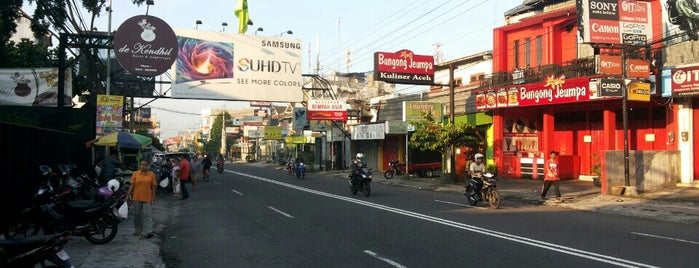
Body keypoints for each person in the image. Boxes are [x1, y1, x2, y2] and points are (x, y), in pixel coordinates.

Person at [126, 160, 156, 238]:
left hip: (147, 198)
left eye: (145, 165)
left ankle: (148, 231)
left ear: (148, 166)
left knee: (147, 215)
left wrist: (153, 197)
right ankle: (138, 229)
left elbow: (153, 186)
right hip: (137, 197)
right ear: (140, 165)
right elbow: (132, 185)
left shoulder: (151, 174)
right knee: (137, 215)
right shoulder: (135, 174)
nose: (143, 166)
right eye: (142, 165)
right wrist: (127, 195)